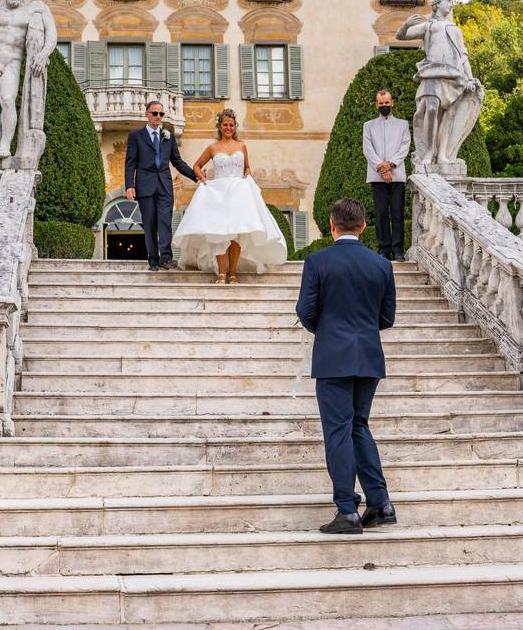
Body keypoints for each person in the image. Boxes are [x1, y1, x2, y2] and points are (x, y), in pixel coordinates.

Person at [295, 198, 397, 535]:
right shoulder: (381, 264)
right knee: (359, 426)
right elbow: (387, 317)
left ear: (332, 224)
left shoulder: (317, 261)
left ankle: (347, 509)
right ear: (364, 225)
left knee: (339, 430)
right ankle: (380, 503)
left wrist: (327, 332)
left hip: (333, 356)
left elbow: (305, 310)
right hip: (368, 355)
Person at [172, 109, 287, 283]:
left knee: (236, 235)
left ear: (235, 126)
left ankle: (232, 273)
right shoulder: (212, 148)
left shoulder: (242, 146)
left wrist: (247, 174)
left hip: (239, 193)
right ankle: (221, 273)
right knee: (220, 234)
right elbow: (196, 166)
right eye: (225, 125)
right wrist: (201, 178)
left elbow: (247, 167)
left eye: (231, 125)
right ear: (220, 126)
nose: (228, 128)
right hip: (218, 194)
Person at [395, 0, 483, 171]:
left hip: (453, 75)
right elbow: (400, 36)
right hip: (431, 73)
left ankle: (442, 154)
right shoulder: (428, 26)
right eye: (448, 1)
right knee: (432, 109)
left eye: (451, 2)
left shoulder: (455, 29)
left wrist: (469, 77)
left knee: (448, 115)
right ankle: (428, 153)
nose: (451, 5)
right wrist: (405, 24)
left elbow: (463, 55)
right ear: (437, 4)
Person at [0, 0, 56, 162]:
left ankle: (5, 144)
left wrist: (43, 54)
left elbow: (52, 34)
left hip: (12, 60)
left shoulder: (37, 8)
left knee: (7, 100)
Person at [125, 101, 198, 271]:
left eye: (161, 114)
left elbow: (177, 161)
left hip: (165, 185)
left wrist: (196, 176)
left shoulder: (168, 136)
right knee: (149, 224)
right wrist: (130, 184)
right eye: (155, 113)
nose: (159, 117)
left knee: (165, 222)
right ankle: (153, 260)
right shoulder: (136, 136)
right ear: (147, 114)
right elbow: (130, 163)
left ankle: (166, 258)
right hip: (144, 185)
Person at [363, 90, 411, 261]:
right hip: (377, 177)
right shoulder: (368, 126)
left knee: (397, 213)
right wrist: (382, 168)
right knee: (381, 213)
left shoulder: (403, 125)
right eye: (381, 103)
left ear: (392, 103)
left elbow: (405, 147)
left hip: (397, 175)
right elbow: (368, 149)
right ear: (377, 105)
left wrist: (390, 165)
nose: (384, 106)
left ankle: (397, 250)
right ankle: (384, 249)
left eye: (386, 103)